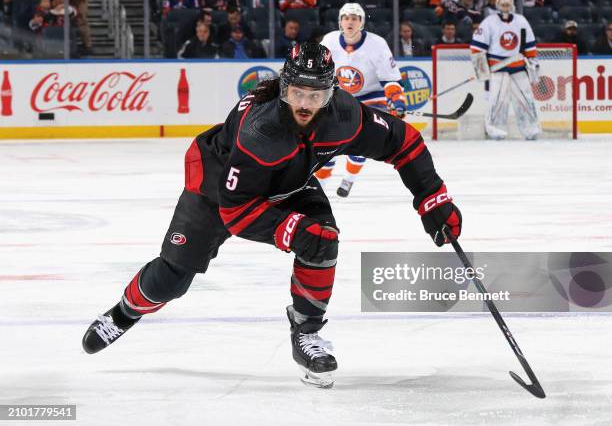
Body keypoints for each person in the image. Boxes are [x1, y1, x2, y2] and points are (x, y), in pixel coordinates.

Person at [81, 43, 462, 389]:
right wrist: (290, 229)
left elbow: (403, 142)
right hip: (219, 186)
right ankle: (123, 313)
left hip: (288, 181)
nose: (305, 104)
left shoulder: (344, 116)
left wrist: (433, 199)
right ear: (284, 88)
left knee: (323, 240)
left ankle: (306, 334)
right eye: (297, 93)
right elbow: (236, 209)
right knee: (172, 279)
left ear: (331, 94)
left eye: (316, 95)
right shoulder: (262, 131)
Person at [316, 3, 408, 198]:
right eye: (346, 18)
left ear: (362, 23)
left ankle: (349, 179)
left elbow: (390, 79)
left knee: (360, 140)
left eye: (354, 18)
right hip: (339, 97)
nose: (350, 21)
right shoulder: (329, 41)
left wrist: (396, 99)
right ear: (340, 22)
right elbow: (319, 74)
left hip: (370, 97)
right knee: (326, 143)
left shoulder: (377, 44)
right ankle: (319, 187)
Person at [470, 0, 540, 140]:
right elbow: (477, 48)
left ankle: (530, 128)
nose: (506, 5)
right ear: (497, 4)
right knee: (497, 101)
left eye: (508, 2)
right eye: (503, 2)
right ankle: (495, 129)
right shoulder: (489, 22)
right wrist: (481, 70)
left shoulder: (521, 21)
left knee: (525, 99)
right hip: (497, 69)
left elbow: (530, 47)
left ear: (513, 4)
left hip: (519, 67)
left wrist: (533, 67)